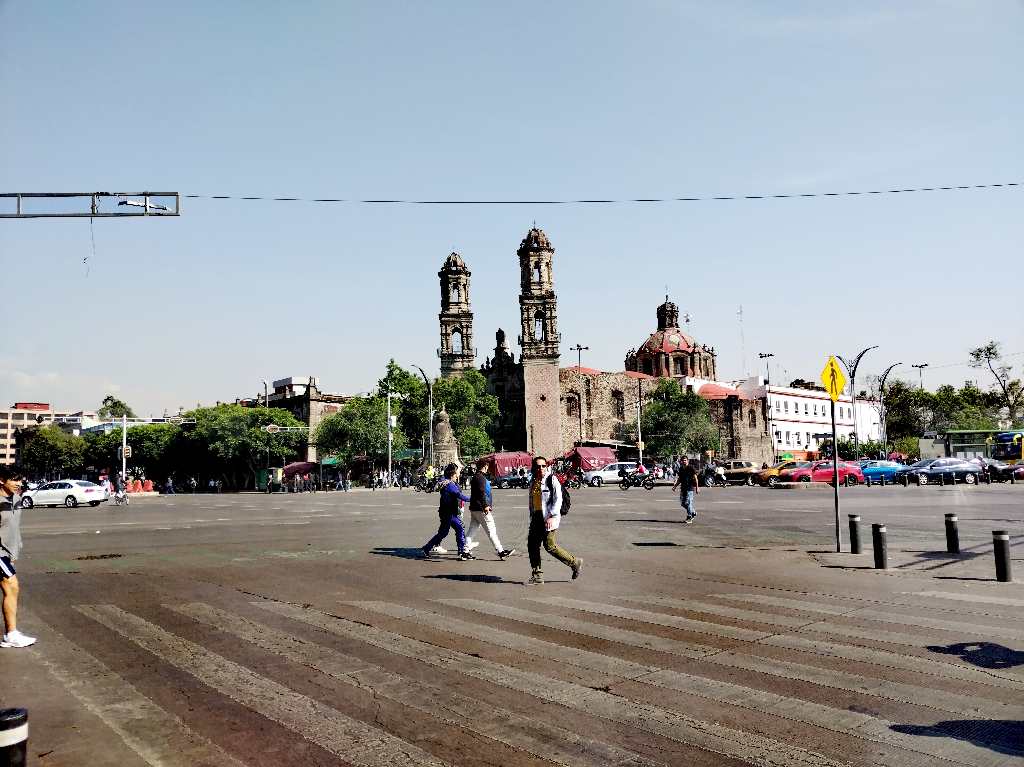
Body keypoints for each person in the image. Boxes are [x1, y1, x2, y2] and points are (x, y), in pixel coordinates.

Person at [527, 456, 581, 585]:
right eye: (538, 466)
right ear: (534, 468)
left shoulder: (552, 479)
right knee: (532, 545)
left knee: (549, 546)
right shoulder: (533, 481)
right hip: (536, 517)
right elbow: (532, 501)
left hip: (549, 517)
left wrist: (552, 516)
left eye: (543, 466)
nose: (541, 468)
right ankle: (537, 575)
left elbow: (558, 499)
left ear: (546, 466)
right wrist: (532, 516)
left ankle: (575, 562)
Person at [0, 469, 35, 648]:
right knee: (12, 586)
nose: (18, 484)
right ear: (1, 480)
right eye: (14, 480)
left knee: (10, 589)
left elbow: (14, 528)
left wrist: (15, 551)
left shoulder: (16, 499)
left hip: (8, 553)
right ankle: (11, 634)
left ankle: (10, 633)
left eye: (20, 480)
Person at [421, 464, 474, 560]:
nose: (458, 475)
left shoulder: (447, 482)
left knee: (444, 532)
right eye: (457, 472)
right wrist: (472, 499)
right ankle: (461, 552)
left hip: (446, 512)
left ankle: (427, 548)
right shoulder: (450, 485)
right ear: (452, 474)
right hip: (449, 513)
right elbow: (459, 495)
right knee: (459, 528)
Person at [466, 462, 516, 560]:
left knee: (472, 529)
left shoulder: (477, 476)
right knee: (491, 531)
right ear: (485, 466)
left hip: (475, 508)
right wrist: (485, 505)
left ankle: (465, 551)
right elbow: (481, 493)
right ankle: (501, 551)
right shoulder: (480, 477)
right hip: (481, 508)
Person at [672, 456, 700, 523]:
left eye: (685, 460)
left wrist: (697, 488)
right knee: (683, 503)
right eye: (683, 460)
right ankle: (693, 512)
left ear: (687, 461)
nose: (684, 461)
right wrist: (675, 486)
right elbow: (679, 479)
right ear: (681, 461)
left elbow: (695, 478)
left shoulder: (691, 468)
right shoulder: (681, 468)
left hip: (690, 488)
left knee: (688, 503)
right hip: (683, 488)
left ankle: (689, 516)